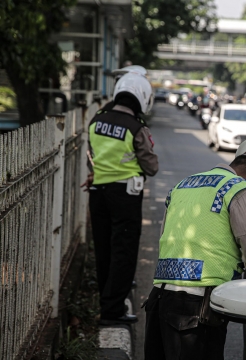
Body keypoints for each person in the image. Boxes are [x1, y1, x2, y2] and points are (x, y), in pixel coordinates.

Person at [144, 139, 246, 360]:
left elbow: (166, 238)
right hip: (195, 311)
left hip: (158, 299)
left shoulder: (183, 185)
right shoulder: (240, 189)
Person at [81, 69, 158, 325]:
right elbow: (151, 167)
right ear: (142, 96)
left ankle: (107, 301)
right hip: (124, 195)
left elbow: (93, 156)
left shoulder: (96, 120)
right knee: (123, 252)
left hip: (98, 192)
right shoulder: (136, 127)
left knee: (103, 250)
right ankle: (113, 311)